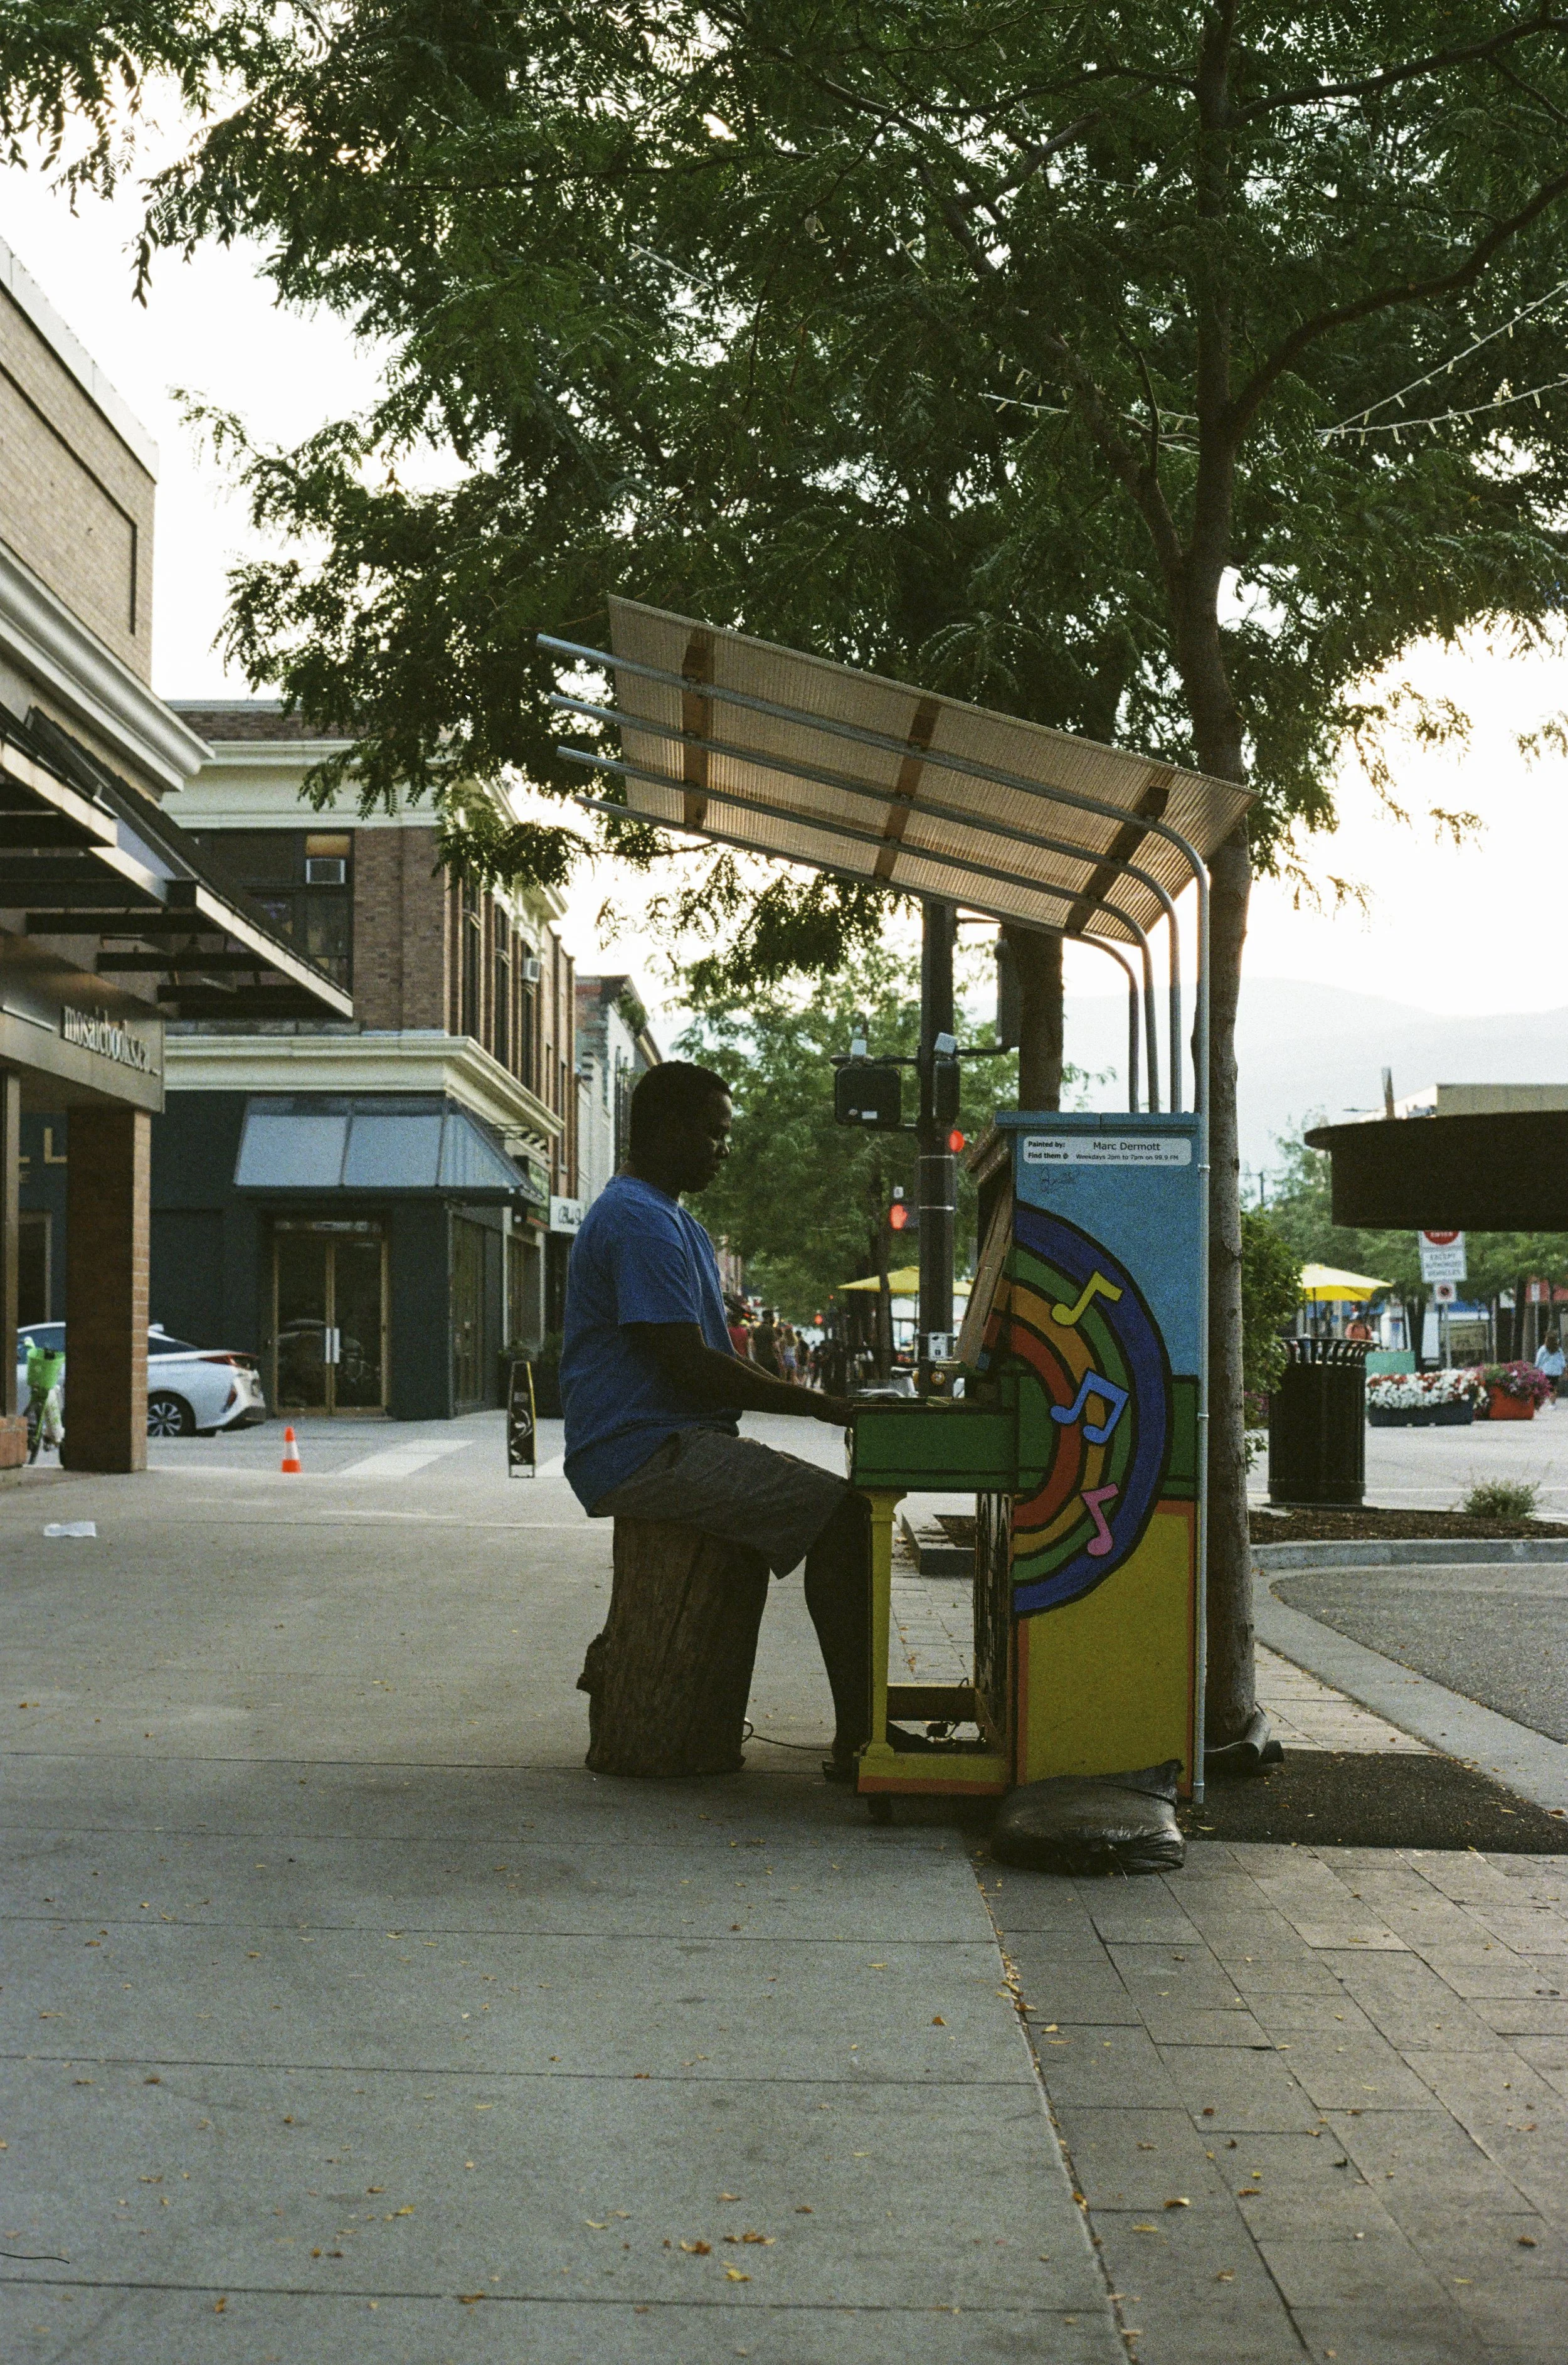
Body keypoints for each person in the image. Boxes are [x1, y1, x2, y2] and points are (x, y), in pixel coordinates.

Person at [561, 1063, 870, 1778]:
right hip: (642, 1450)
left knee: (838, 1514)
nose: (723, 1150)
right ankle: (859, 1738)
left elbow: (711, 1359)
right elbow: (690, 1366)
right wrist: (820, 1404)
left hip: (670, 1440)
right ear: (667, 1130)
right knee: (844, 1519)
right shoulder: (639, 1220)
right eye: (713, 1133)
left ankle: (758, 1726)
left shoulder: (674, 1221)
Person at [1537, 1329, 1566, 1401]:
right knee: (1553, 1387)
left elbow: (1539, 1360)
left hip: (1545, 1371)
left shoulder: (1543, 1349)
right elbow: (1562, 1360)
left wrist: (1537, 1367)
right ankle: (1553, 1402)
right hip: (1556, 1372)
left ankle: (1546, 1400)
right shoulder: (1559, 1350)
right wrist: (1564, 1368)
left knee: (1546, 1386)